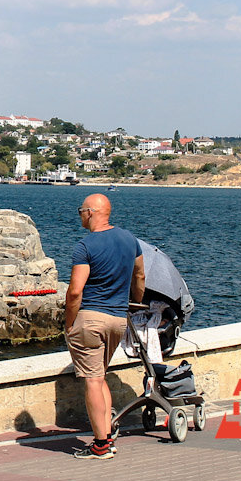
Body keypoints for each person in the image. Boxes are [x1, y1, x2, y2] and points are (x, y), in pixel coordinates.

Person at [64, 193, 145, 460]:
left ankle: (100, 445)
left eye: (80, 210)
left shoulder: (85, 246)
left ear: (90, 212)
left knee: (92, 380)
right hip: (118, 319)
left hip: (90, 318)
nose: (79, 215)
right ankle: (107, 437)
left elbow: (75, 291)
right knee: (100, 376)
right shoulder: (130, 240)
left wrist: (69, 322)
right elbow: (140, 276)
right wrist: (135, 301)